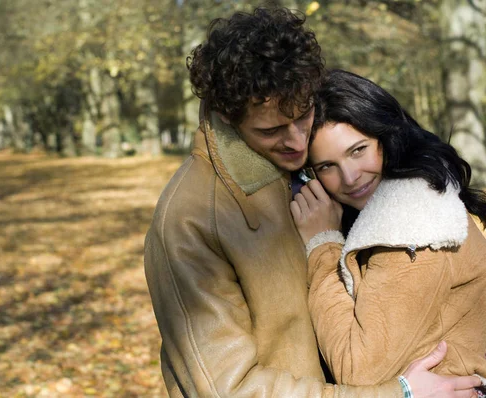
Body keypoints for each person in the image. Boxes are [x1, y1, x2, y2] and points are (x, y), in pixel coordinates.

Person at [144, 7, 482, 397]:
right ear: (227, 116)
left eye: (303, 116)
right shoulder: (190, 217)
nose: (296, 141)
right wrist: (398, 393)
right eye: (271, 129)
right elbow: (227, 390)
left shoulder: (318, 172)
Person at [291, 69, 486, 391]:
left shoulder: (411, 222)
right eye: (327, 166)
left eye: (358, 150)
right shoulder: (399, 204)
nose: (350, 177)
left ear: (389, 137)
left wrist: (321, 244)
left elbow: (358, 373)